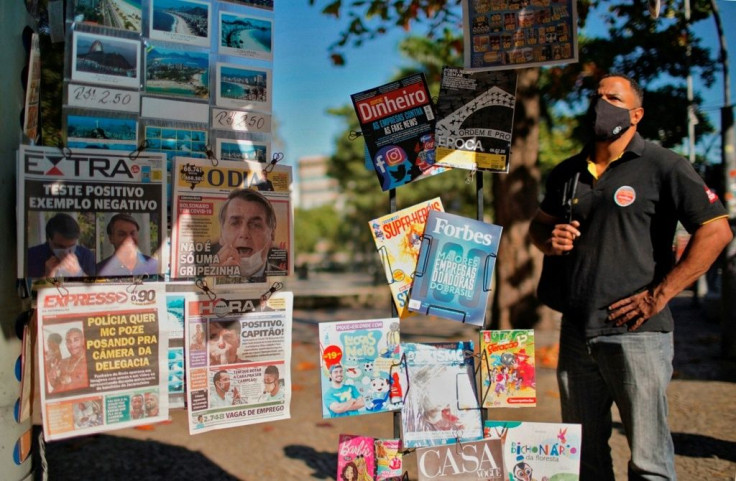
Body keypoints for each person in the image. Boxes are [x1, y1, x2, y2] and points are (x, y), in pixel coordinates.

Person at [529, 73, 733, 480]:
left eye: (613, 98)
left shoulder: (665, 165)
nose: (601, 103)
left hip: (637, 332)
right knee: (584, 458)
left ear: (636, 114)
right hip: (576, 331)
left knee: (648, 461)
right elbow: (538, 226)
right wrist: (549, 239)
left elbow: (716, 230)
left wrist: (660, 295)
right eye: (596, 96)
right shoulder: (568, 172)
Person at [211, 188, 284, 280]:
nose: (244, 233)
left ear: (272, 235)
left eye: (255, 225)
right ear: (221, 234)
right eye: (235, 223)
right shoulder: (199, 274)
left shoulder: (286, 278)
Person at [27, 213, 95, 278]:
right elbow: (26, 288)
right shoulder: (31, 256)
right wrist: (47, 277)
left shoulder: (86, 256)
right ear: (49, 239)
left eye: (71, 246)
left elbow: (96, 287)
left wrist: (79, 273)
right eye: (60, 247)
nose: (66, 252)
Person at [47, 327, 89, 393]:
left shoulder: (90, 360)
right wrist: (51, 377)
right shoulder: (62, 362)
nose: (72, 345)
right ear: (66, 344)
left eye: (76, 340)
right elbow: (55, 385)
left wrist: (72, 380)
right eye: (69, 341)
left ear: (83, 341)